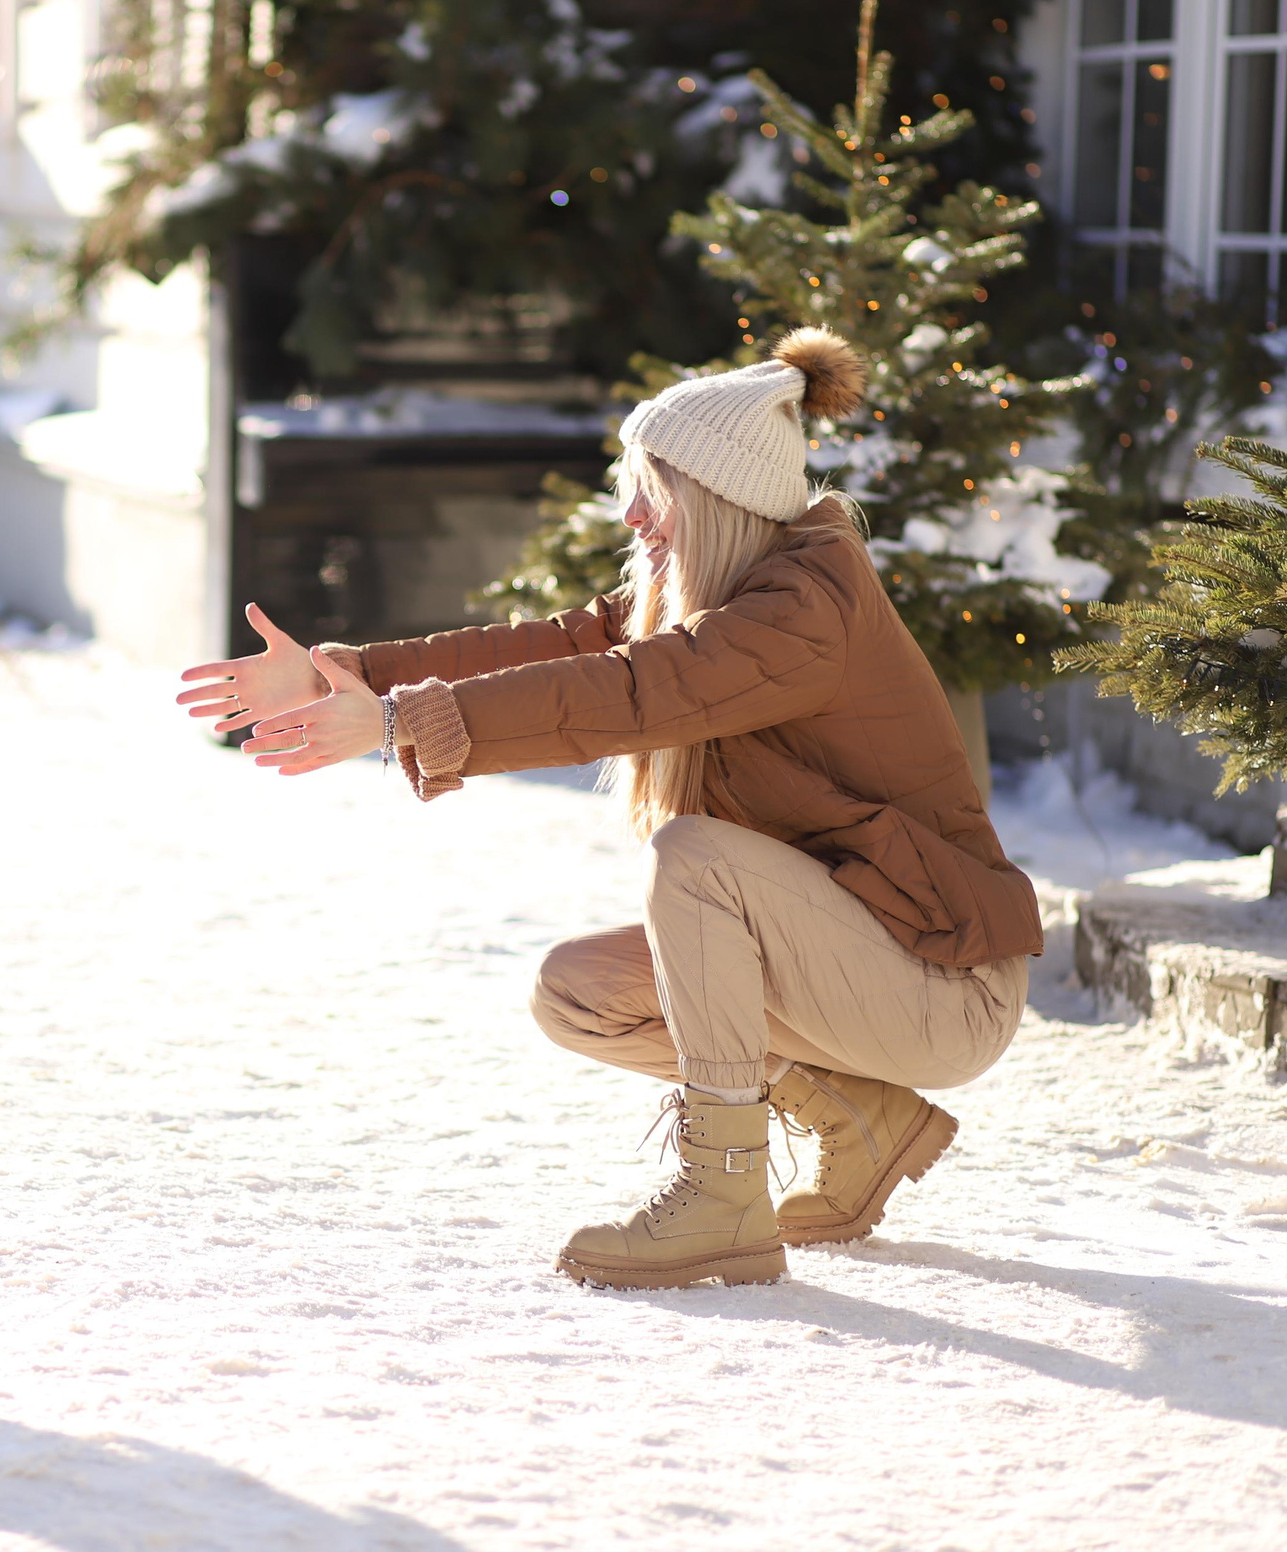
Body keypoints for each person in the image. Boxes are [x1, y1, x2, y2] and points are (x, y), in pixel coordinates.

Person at [176, 330, 1042, 1292]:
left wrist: (395, 724)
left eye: (653, 489)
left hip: (945, 985)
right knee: (579, 994)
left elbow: (623, 695)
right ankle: (858, 1121)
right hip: (864, 955)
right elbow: (552, 649)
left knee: (696, 859)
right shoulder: (713, 592)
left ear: (716, 499)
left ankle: (723, 1200)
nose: (632, 514)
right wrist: (351, 675)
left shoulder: (803, 612)